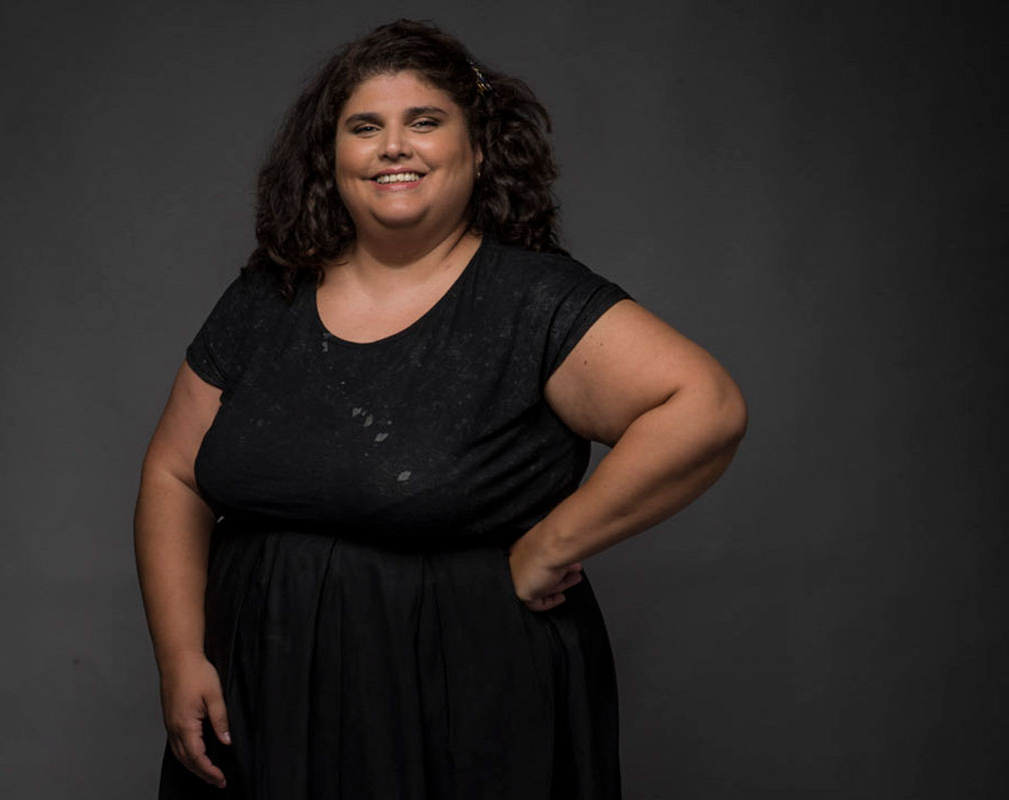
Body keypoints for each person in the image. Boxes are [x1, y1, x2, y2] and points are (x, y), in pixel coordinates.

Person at [134, 18, 747, 800]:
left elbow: (705, 406)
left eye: (424, 121)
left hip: (455, 705)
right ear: (330, 155)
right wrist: (180, 657)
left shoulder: (533, 299)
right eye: (365, 127)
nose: (393, 147)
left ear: (479, 147)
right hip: (260, 701)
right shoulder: (266, 294)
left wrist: (553, 543)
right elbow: (174, 473)